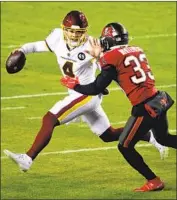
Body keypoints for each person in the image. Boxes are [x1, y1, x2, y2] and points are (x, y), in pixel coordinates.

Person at [4, 12, 167, 173]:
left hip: (86, 95)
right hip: (79, 94)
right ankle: (150, 136)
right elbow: (38, 46)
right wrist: (22, 50)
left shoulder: (92, 45)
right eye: (71, 31)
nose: (75, 35)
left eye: (79, 32)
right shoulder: (56, 37)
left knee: (50, 118)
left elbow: (107, 68)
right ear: (64, 29)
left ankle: (28, 158)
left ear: (85, 31)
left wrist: (104, 84)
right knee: (108, 135)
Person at [60, 22, 177, 192]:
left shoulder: (111, 57)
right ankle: (154, 179)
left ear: (108, 41)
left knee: (125, 146)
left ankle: (154, 181)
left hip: (145, 108)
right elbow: (123, 74)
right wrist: (100, 58)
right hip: (159, 100)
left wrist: (74, 85)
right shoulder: (136, 49)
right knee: (163, 138)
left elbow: (96, 88)